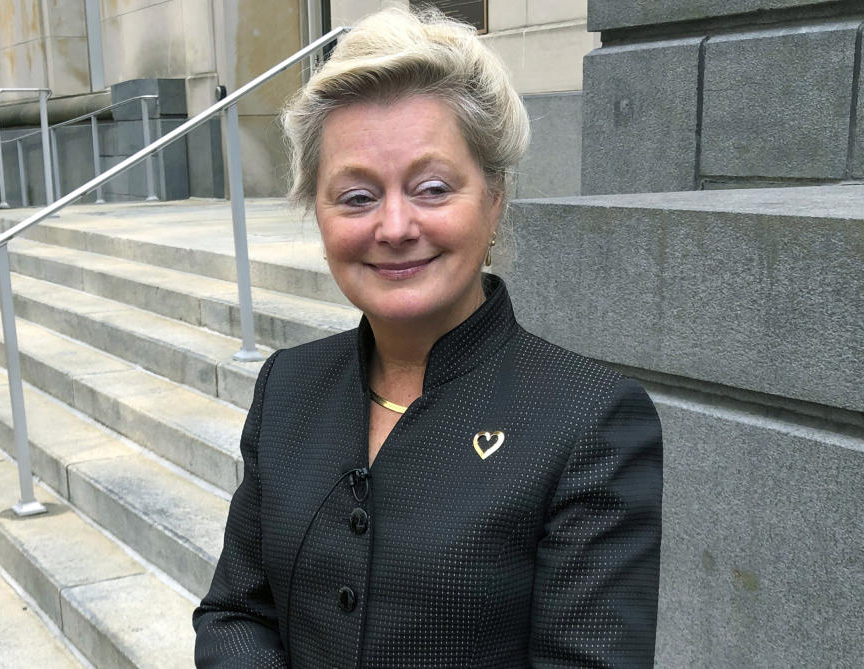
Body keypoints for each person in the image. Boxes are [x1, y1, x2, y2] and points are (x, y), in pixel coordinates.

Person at [193, 6, 663, 668]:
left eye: (432, 188)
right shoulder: (289, 385)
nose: (393, 225)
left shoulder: (589, 421)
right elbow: (236, 611)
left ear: (494, 197)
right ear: (317, 213)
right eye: (356, 196)